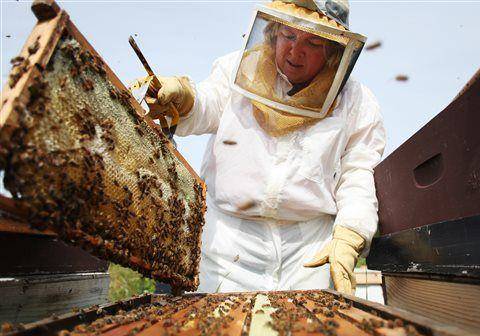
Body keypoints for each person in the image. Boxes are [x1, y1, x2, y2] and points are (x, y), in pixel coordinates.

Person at [132, 0, 385, 294]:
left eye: (313, 42)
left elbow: (358, 173)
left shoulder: (357, 101)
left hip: (308, 251)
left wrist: (351, 231)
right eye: (289, 36)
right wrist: (185, 98)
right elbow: (207, 105)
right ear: (274, 32)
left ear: (332, 52)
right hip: (226, 243)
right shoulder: (236, 69)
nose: (295, 51)